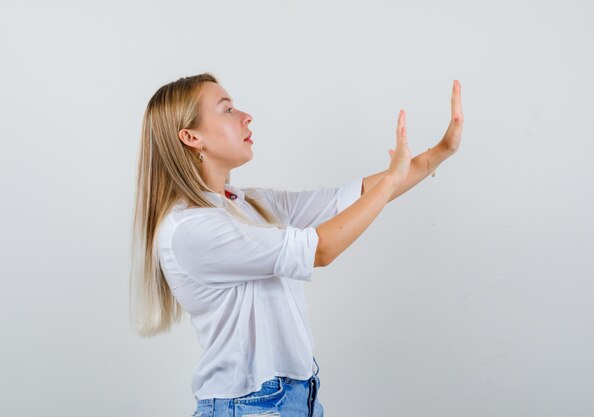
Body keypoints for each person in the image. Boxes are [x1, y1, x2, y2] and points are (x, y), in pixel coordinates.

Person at [129, 72, 464, 417]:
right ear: (191, 136)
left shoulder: (250, 205)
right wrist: (392, 178)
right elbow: (320, 249)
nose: (246, 116)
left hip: (298, 399)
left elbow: (348, 200)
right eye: (227, 110)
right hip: (249, 406)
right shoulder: (190, 229)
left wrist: (439, 153)